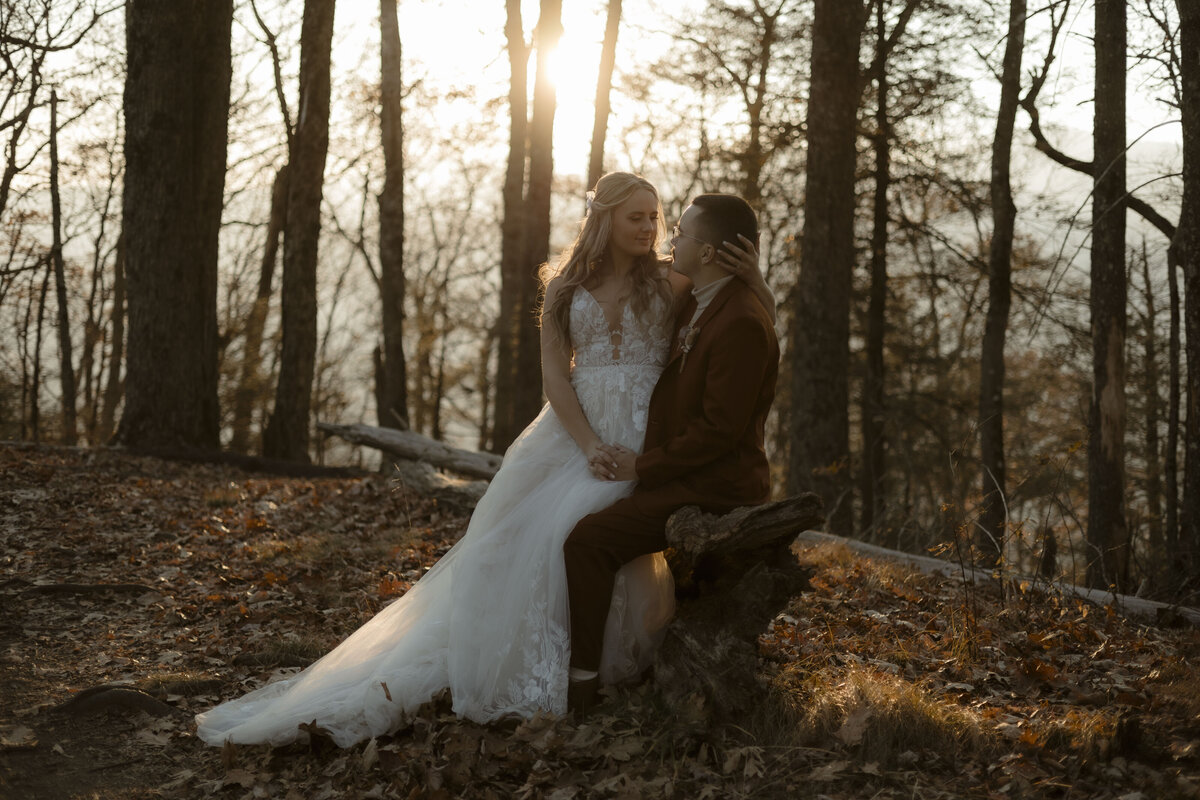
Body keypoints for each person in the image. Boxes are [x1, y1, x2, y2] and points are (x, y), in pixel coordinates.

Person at [194, 173, 772, 748]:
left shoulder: (670, 282)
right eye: (636, 218)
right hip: (577, 433)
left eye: (656, 217)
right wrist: (590, 445)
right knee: (508, 542)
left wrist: (757, 281)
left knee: (590, 534)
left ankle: (602, 667)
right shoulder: (565, 287)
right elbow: (554, 376)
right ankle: (526, 663)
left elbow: (729, 305)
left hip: (644, 435)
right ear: (604, 221)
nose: (651, 229)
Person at [563, 193, 780, 714]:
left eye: (680, 232)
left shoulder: (740, 321)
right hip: (689, 470)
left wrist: (643, 465)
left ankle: (582, 686)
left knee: (588, 541)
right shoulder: (701, 298)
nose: (670, 239)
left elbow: (718, 433)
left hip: (716, 484)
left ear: (707, 253)